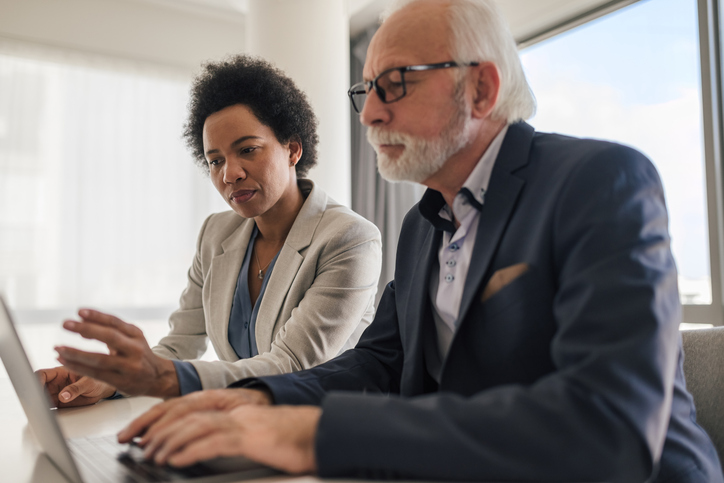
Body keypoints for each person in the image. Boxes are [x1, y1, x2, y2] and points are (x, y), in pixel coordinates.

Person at [115, 1, 724, 482]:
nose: (370, 115)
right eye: (367, 91)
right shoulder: (422, 224)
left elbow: (608, 428)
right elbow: (379, 363)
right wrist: (259, 401)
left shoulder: (598, 181)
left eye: (396, 84)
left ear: (481, 90)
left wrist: (314, 434)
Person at [37, 55, 382, 407]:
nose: (229, 174)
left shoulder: (350, 239)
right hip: (237, 424)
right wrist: (111, 381)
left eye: (247, 150)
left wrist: (158, 377)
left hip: (319, 431)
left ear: (292, 149)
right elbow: (179, 345)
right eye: (215, 160)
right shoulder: (216, 232)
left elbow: (291, 365)